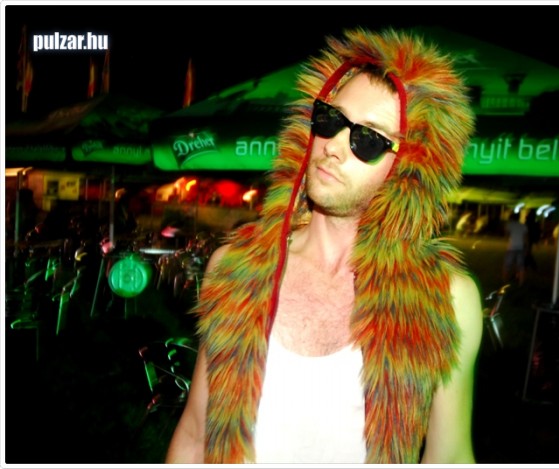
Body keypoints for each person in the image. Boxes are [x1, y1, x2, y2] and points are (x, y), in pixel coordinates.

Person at [165, 28, 482, 464]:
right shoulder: (234, 268)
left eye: (368, 139)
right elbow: (196, 433)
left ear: (410, 171)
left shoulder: (445, 300)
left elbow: (449, 456)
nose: (333, 146)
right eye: (331, 119)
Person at [502, 211, 528, 286]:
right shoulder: (523, 226)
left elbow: (506, 235)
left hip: (511, 247)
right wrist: (526, 247)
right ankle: (521, 282)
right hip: (520, 247)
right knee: (520, 265)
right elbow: (525, 238)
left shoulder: (510, 225)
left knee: (507, 264)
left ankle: (504, 280)